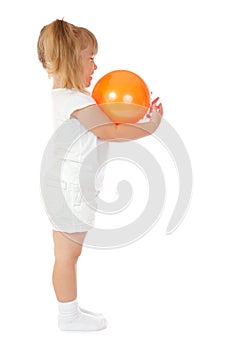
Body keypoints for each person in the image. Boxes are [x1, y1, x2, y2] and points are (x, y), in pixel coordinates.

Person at [37, 18, 163, 332]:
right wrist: (152, 126)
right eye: (90, 58)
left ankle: (70, 310)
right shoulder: (78, 102)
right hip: (69, 190)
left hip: (64, 186)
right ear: (71, 60)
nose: (96, 65)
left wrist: (138, 114)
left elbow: (109, 121)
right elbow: (111, 131)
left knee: (66, 253)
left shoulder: (67, 97)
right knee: (68, 254)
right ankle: (68, 317)